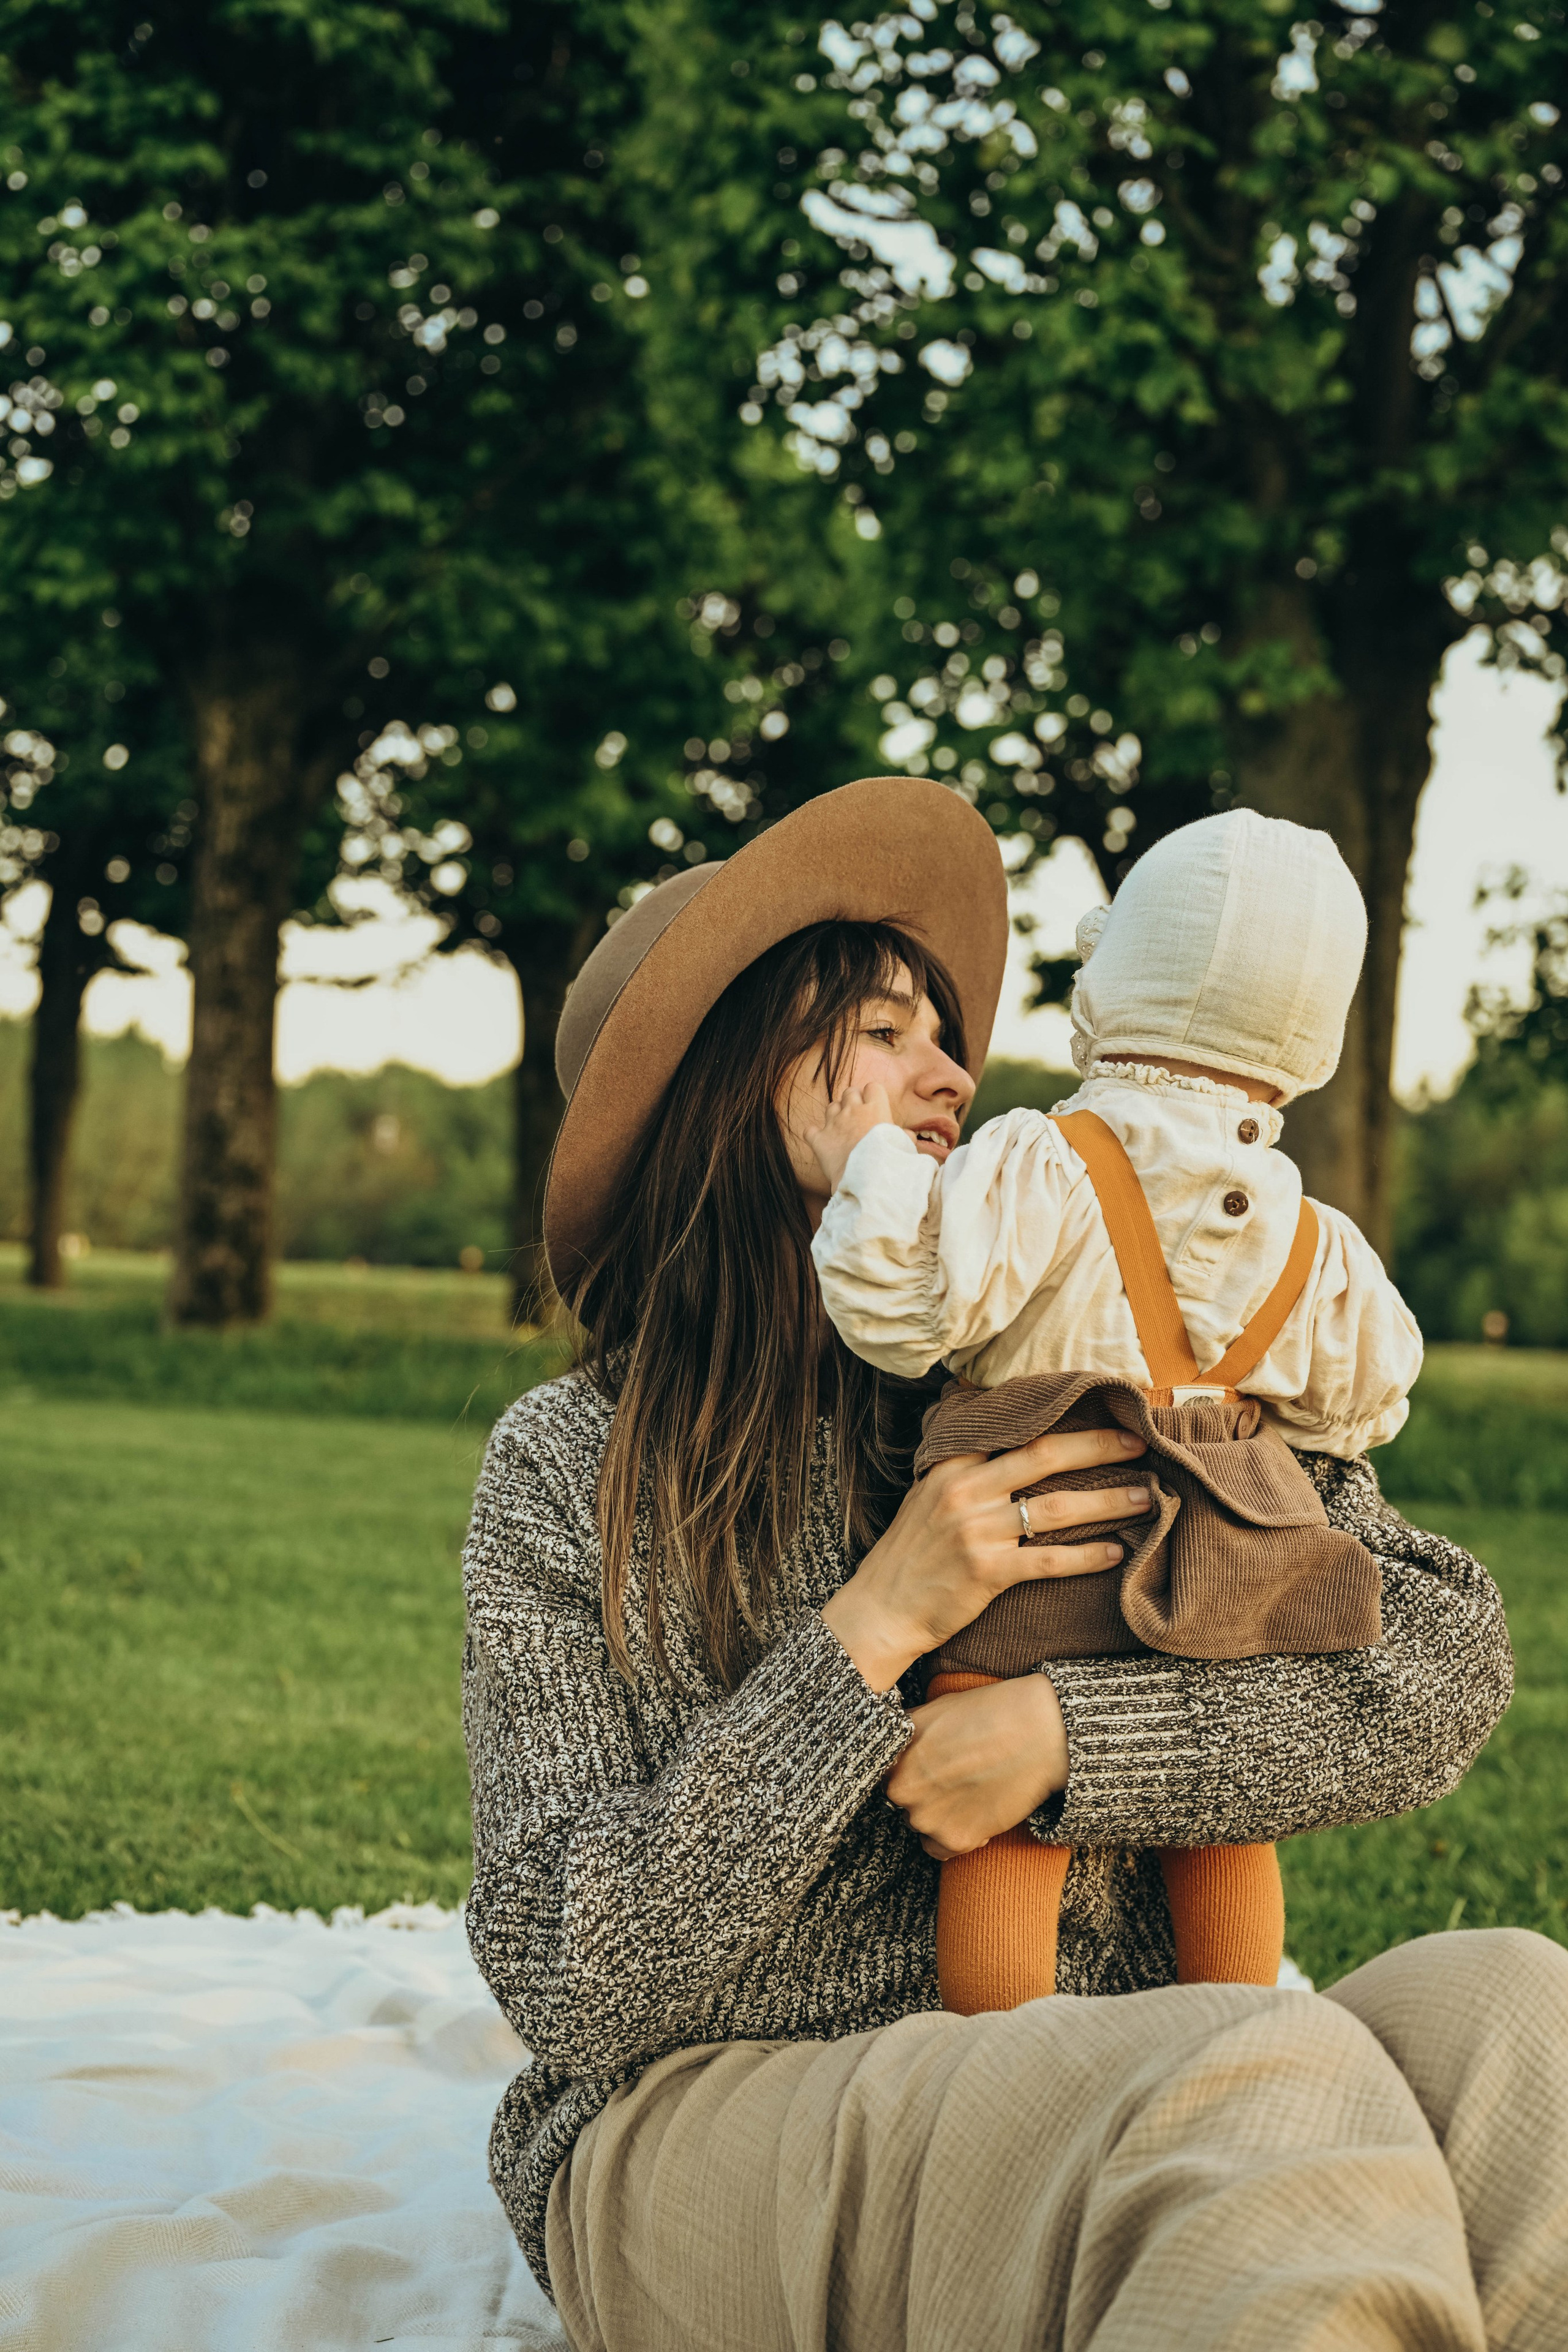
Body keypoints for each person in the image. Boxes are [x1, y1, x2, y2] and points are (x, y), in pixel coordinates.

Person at [462, 778, 1561, 2351]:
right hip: (702, 2115)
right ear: (735, 1073)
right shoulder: (566, 1469)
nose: (954, 1069)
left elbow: (1437, 1656)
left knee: (1521, 2020)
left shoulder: (1038, 1339)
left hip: (1105, 2067)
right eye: (885, 1028)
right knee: (1254, 2080)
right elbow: (570, 1970)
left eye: (945, 1028)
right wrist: (869, 1630)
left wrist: (1068, 1745)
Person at [806, 810, 1423, 2011]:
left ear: (1122, 979)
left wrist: (882, 1165)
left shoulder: (1043, 1161)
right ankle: (1245, 2038)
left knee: (1000, 1827)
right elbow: (1364, 1401)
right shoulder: (1315, 1241)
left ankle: (995, 2065)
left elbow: (903, 1305)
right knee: (1226, 1830)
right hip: (1223, 1563)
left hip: (1034, 1542)